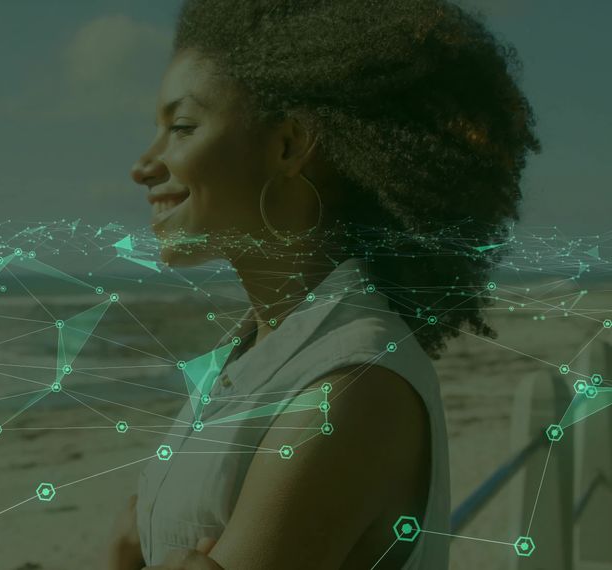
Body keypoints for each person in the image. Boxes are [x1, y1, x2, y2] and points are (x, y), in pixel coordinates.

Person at [106, 0, 540, 568]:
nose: (145, 165)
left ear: (289, 144)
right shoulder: (252, 358)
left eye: (181, 128)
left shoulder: (348, 389)